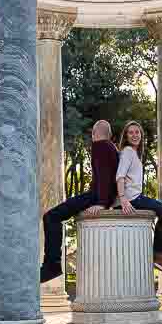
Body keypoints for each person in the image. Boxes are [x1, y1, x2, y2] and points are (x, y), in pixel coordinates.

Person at [40, 119, 119, 283]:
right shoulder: (112, 148)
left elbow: (105, 176)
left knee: (51, 217)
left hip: (96, 196)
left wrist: (102, 203)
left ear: (94, 133)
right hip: (100, 196)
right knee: (54, 216)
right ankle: (52, 265)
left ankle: (52, 265)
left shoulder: (100, 146)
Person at [115, 120, 162, 278]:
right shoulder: (128, 151)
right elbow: (120, 176)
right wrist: (123, 199)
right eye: (131, 132)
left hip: (135, 196)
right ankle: (160, 256)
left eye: (137, 132)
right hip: (133, 198)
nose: (135, 135)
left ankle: (159, 255)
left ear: (141, 135)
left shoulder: (134, 154)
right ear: (126, 136)